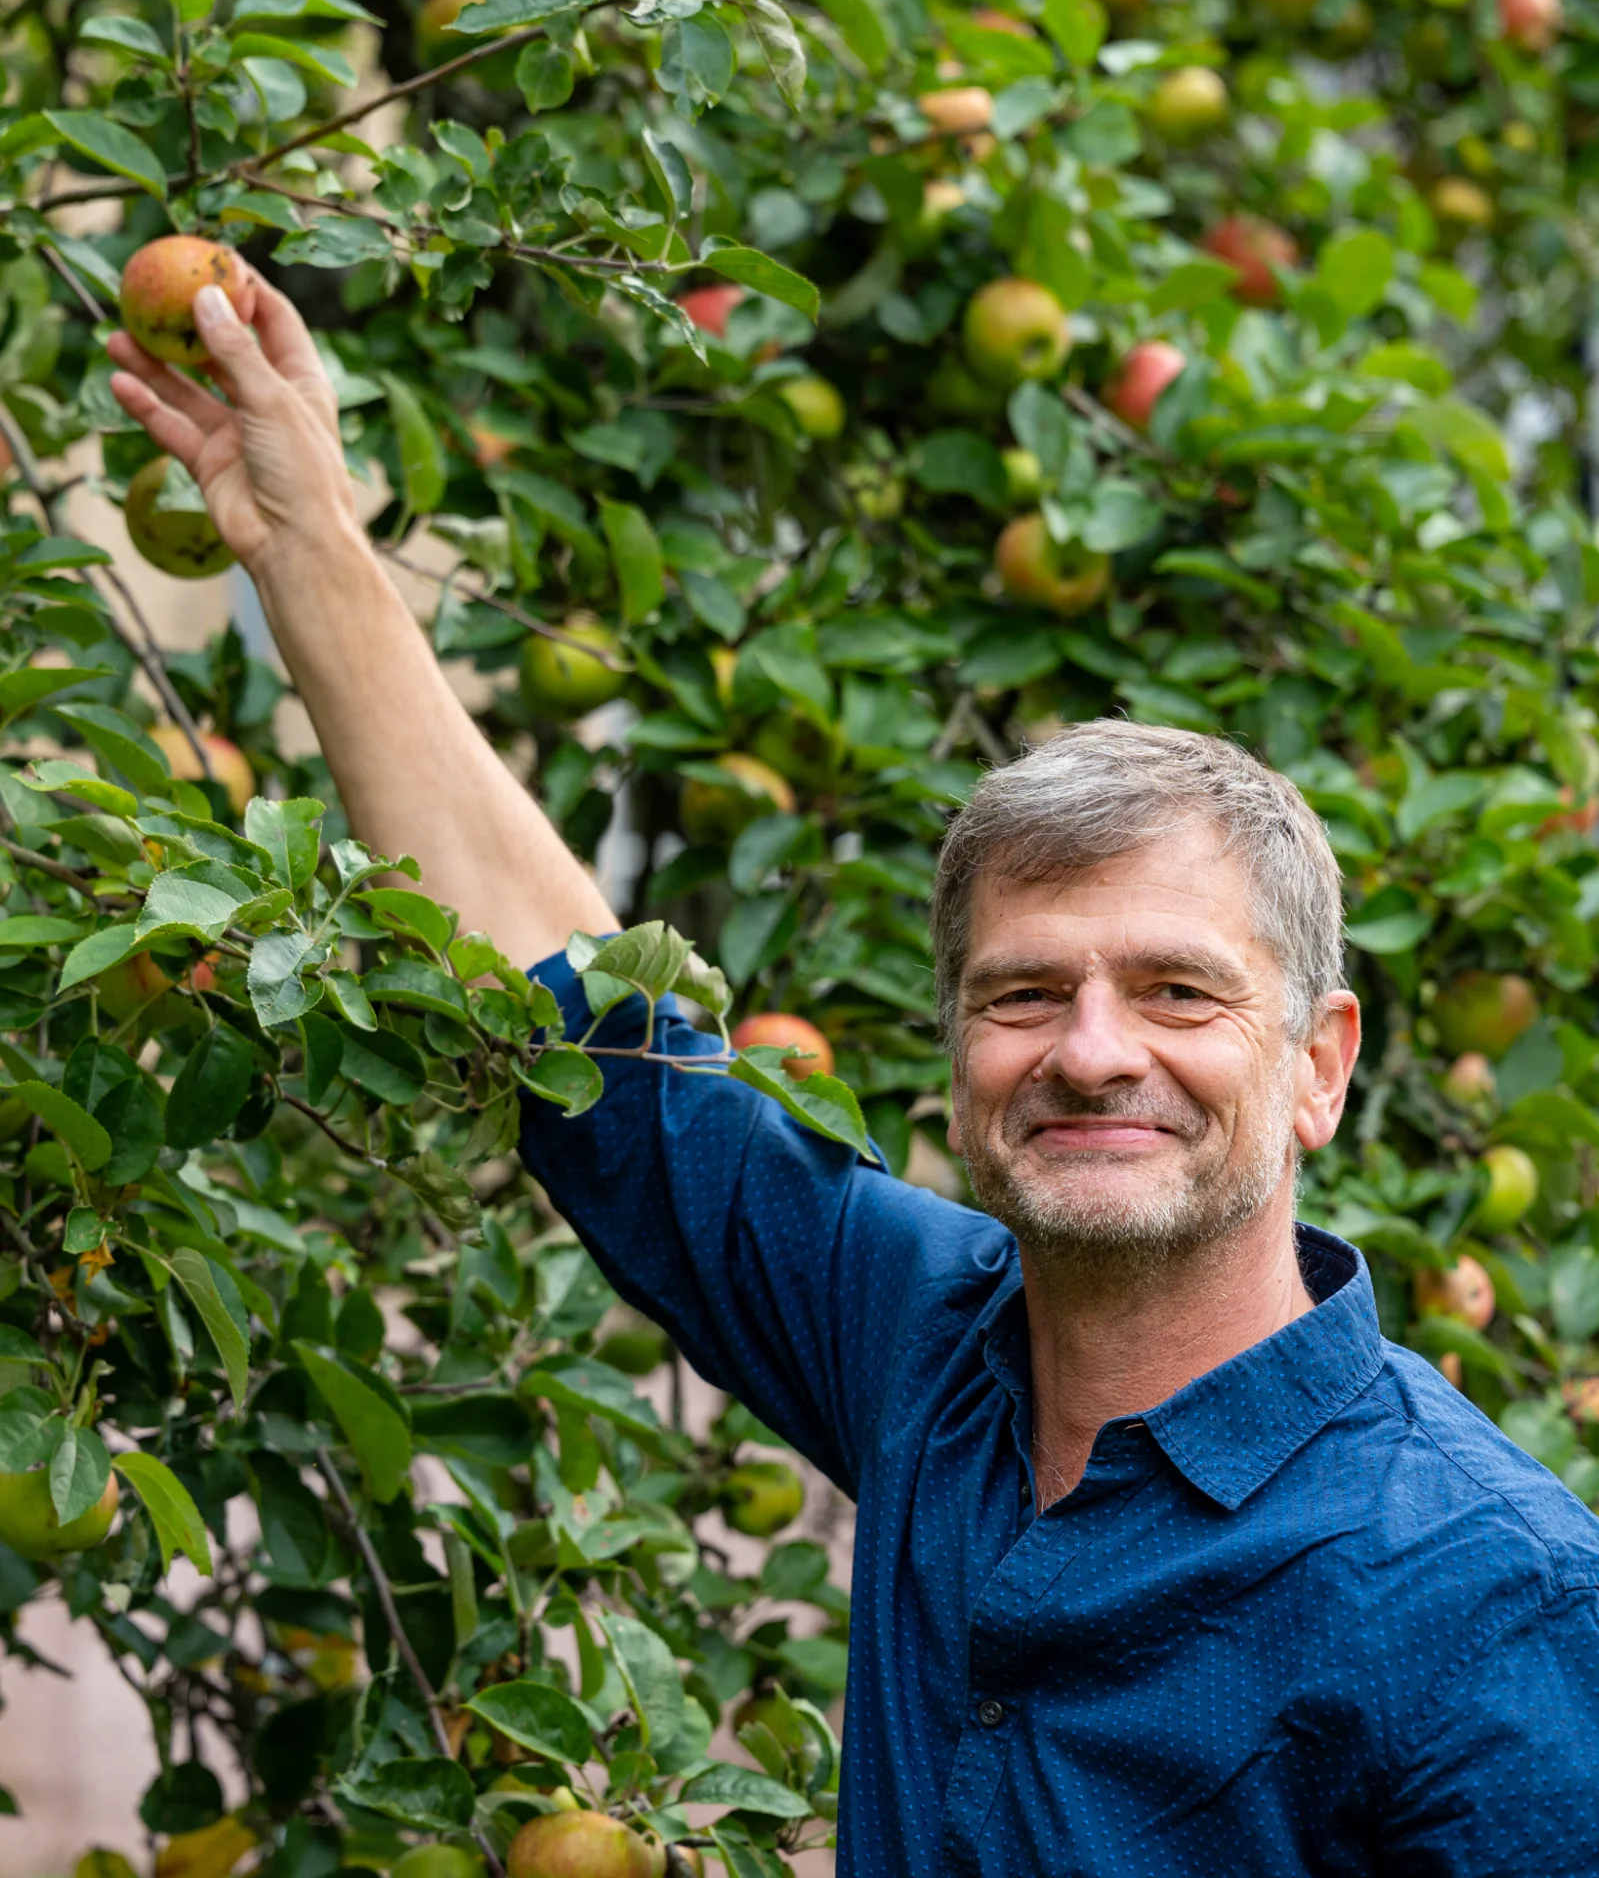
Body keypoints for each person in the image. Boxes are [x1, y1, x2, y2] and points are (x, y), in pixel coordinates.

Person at [109, 281, 1599, 1876]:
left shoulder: (1485, 1592)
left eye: (1177, 992)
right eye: (1024, 992)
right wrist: (307, 539)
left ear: (1319, 1066)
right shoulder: (930, 1351)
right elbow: (591, 1033)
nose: (1092, 1051)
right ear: (953, 1046)